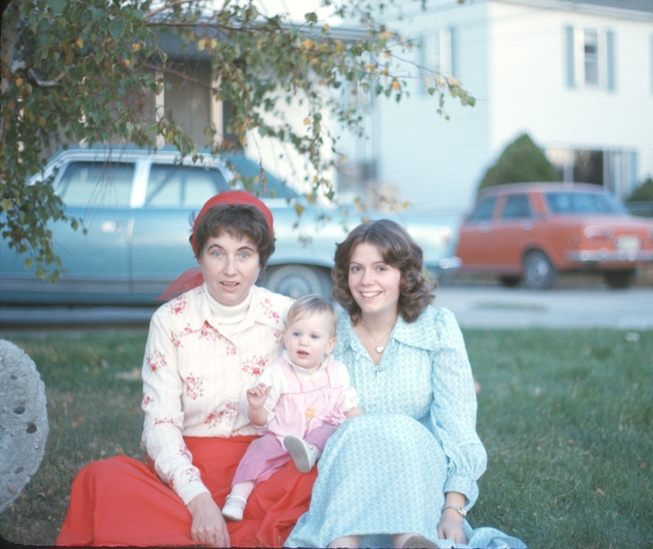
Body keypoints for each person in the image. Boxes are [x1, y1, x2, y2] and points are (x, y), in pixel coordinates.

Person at [56, 191, 316, 547]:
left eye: (244, 254)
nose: (230, 269)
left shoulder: (289, 317)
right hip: (185, 476)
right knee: (99, 479)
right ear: (199, 255)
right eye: (217, 253)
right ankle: (222, 530)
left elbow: (315, 393)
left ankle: (194, 533)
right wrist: (199, 501)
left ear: (261, 260)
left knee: (314, 474)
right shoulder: (170, 321)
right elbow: (160, 423)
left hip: (262, 474)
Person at [285, 219, 525, 549]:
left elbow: (458, 423)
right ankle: (342, 543)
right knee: (356, 430)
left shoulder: (437, 326)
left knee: (401, 429)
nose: (366, 280)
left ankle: (410, 540)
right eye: (357, 268)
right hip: (352, 475)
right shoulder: (328, 332)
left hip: (414, 471)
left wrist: (453, 511)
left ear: (404, 274)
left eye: (380, 268)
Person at [222, 295, 363, 521]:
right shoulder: (277, 373)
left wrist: (363, 427)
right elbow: (261, 420)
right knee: (256, 452)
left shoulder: (337, 372)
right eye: (297, 334)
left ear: (329, 345)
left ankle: (311, 452)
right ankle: (237, 499)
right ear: (285, 338)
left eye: (314, 336)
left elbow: (350, 407)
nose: (303, 342)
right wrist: (256, 407)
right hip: (281, 436)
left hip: (317, 436)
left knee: (329, 430)